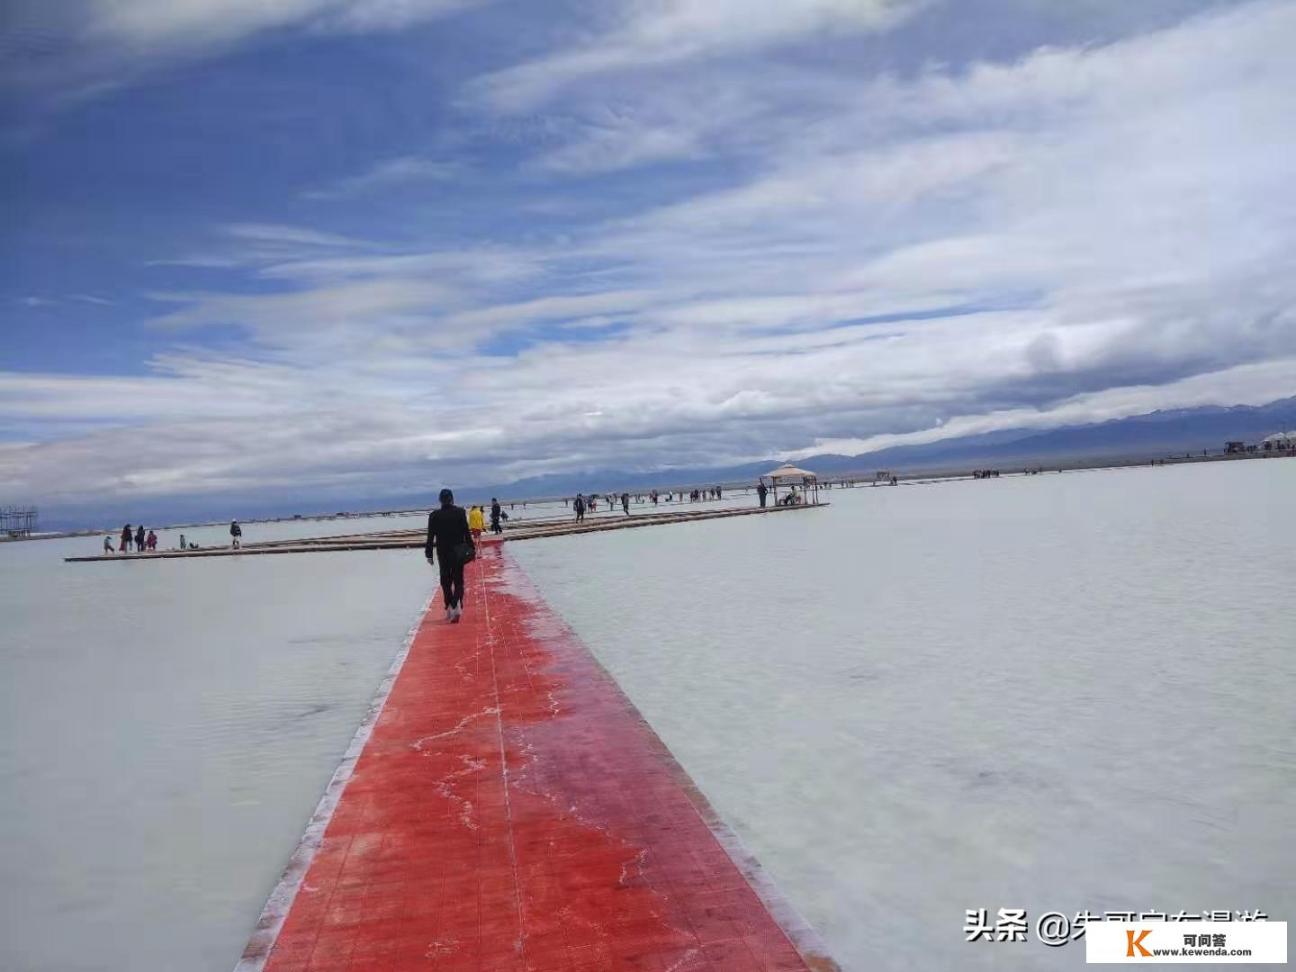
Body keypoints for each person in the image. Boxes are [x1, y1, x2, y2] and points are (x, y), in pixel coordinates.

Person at [425, 488, 473, 623]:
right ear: (452, 499)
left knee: (445, 581)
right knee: (458, 580)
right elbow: (466, 533)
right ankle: (456, 604)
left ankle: (450, 607)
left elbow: (430, 537)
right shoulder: (460, 513)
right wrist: (472, 549)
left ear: (440, 500)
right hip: (458, 552)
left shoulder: (434, 516)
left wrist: (429, 554)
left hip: (443, 553)